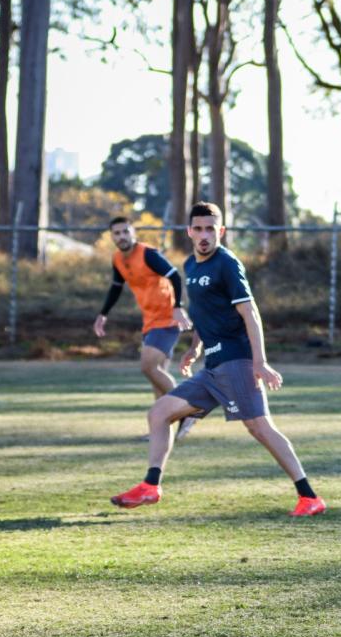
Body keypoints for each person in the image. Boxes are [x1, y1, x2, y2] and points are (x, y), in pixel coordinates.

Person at [109, 202, 326, 517]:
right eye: (198, 228)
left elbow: (250, 312)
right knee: (159, 413)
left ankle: (309, 496)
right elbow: (204, 313)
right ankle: (151, 486)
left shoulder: (227, 263)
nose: (204, 235)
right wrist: (195, 347)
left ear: (221, 231)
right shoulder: (191, 266)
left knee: (260, 428)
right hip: (211, 368)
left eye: (211, 229)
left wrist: (260, 362)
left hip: (236, 362)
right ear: (189, 232)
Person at [94, 216, 198, 440]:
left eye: (125, 232)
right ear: (111, 236)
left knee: (148, 366)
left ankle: (189, 410)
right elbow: (115, 288)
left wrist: (178, 307)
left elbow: (175, 277)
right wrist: (103, 314)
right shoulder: (118, 260)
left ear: (133, 233)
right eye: (117, 233)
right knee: (156, 380)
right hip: (149, 321)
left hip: (167, 320)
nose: (121, 236)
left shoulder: (148, 254)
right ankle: (161, 431)